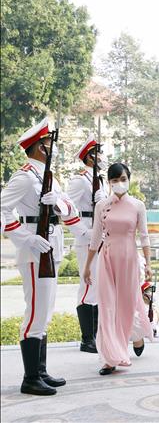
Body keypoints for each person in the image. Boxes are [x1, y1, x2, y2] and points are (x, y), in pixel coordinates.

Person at [1, 118, 87, 395]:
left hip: (53, 246)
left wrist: (58, 202)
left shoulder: (50, 177)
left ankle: (40, 371)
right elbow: (2, 211)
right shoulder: (25, 176)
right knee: (36, 310)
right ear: (40, 147)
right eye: (50, 142)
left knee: (46, 311)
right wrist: (26, 237)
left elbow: (70, 208)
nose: (53, 147)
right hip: (35, 250)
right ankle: (30, 378)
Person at [82, 162, 153, 375]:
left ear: (129, 179)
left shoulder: (138, 205)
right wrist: (87, 267)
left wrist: (148, 264)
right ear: (109, 183)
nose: (119, 184)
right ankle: (110, 358)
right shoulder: (102, 205)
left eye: (122, 179)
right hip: (107, 259)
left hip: (130, 259)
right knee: (107, 307)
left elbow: (144, 235)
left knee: (127, 304)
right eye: (114, 180)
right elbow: (95, 237)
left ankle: (136, 335)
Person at [67, 135, 109, 353]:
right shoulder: (79, 180)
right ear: (89, 157)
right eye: (98, 153)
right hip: (87, 235)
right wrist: (83, 231)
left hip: (100, 234)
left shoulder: (98, 180)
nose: (101, 157)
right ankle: (87, 339)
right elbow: (65, 208)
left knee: (99, 285)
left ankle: (95, 334)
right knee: (88, 285)